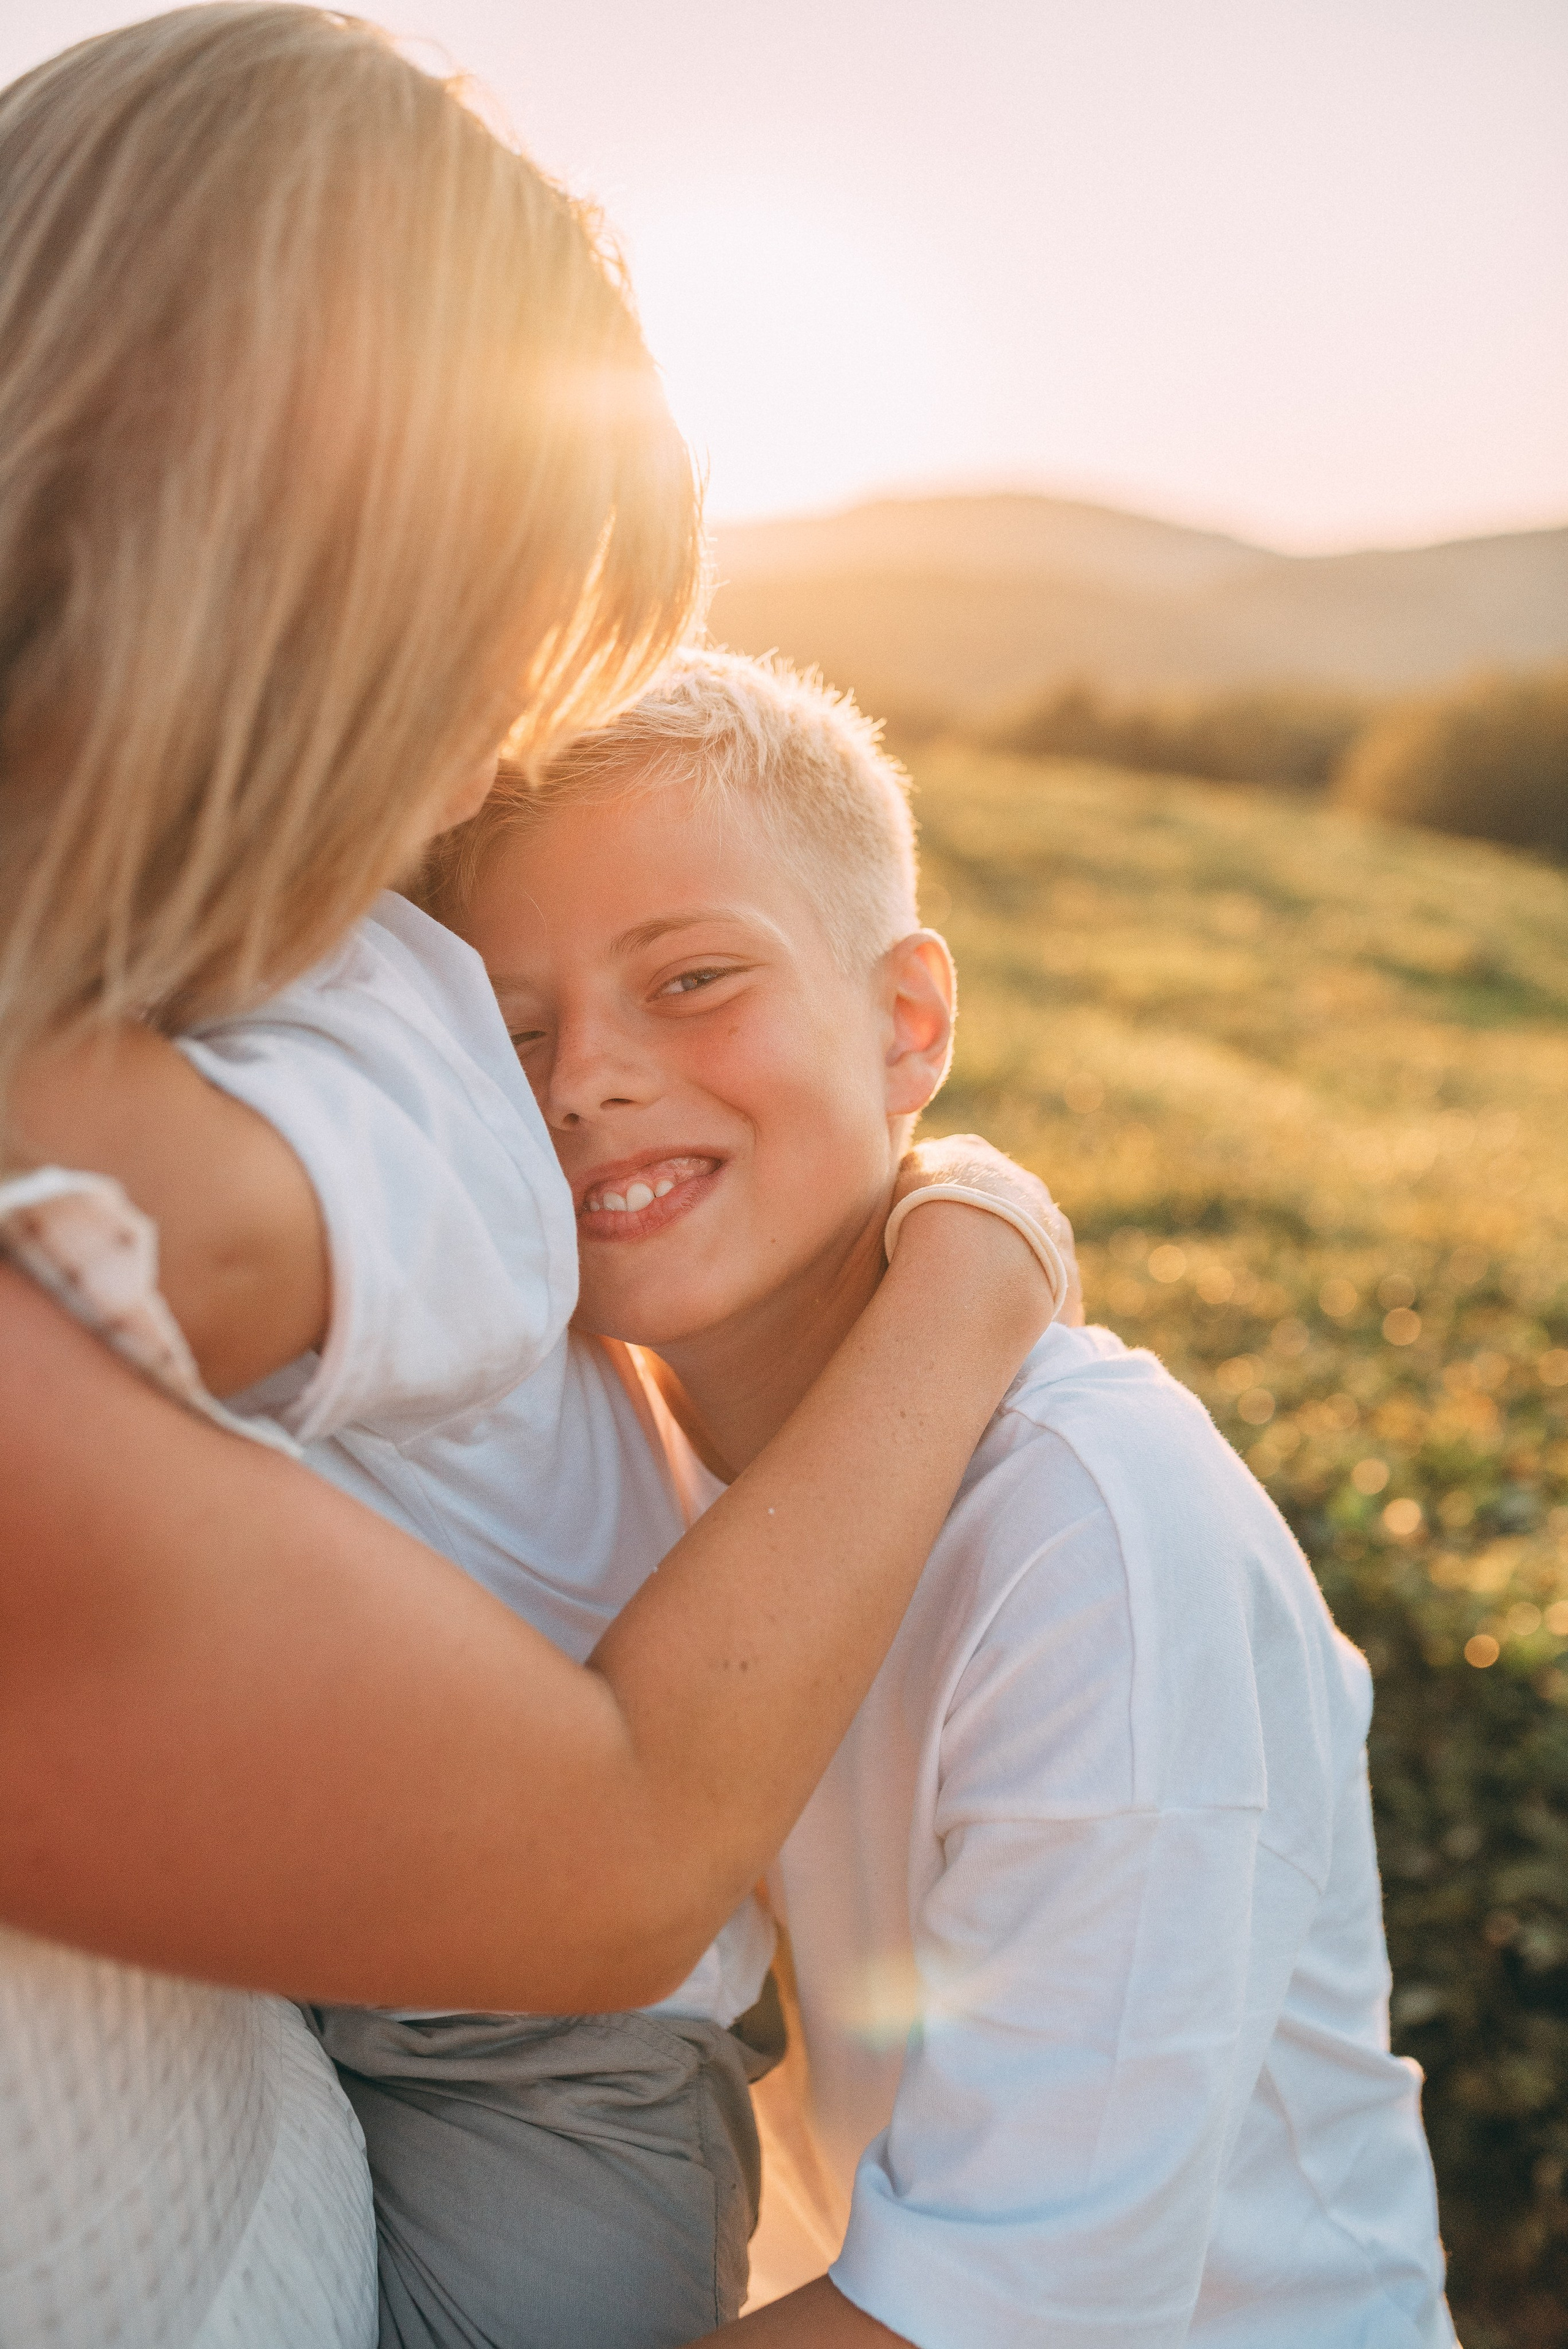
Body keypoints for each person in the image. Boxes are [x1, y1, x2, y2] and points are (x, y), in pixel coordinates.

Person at [0, 17, 1060, 2347]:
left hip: (544, 2048)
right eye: (481, 679)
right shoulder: (329, 1019)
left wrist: (973, 1275)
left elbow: (619, 1862)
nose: (477, 778)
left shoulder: (395, 1053)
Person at [440, 647, 1458, 2349]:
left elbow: (1004, 2317)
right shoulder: (592, 1453)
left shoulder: (1098, 1529)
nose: (582, 1078)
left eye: (692, 979)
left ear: (908, 1023)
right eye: (510, 1027)